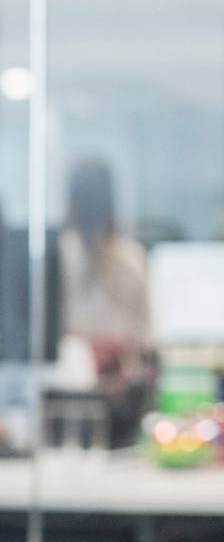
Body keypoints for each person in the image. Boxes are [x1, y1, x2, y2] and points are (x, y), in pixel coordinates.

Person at [59, 157, 152, 398]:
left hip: (120, 384)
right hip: (71, 379)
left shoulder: (130, 257)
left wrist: (118, 347)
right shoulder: (62, 255)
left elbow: (144, 331)